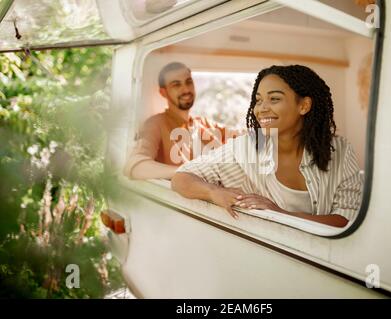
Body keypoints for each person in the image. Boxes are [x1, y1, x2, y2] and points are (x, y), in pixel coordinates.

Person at [171, 65, 363, 228]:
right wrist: (214, 192)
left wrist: (279, 213)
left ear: (304, 106)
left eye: (274, 99)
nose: (261, 108)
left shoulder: (339, 150)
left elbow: (345, 220)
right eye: (258, 100)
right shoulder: (249, 146)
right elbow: (181, 178)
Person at [123, 62, 238, 180]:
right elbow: (136, 167)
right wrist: (188, 172)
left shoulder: (203, 123)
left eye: (189, 82)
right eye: (176, 85)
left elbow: (242, 136)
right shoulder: (156, 124)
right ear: (163, 92)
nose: (186, 89)